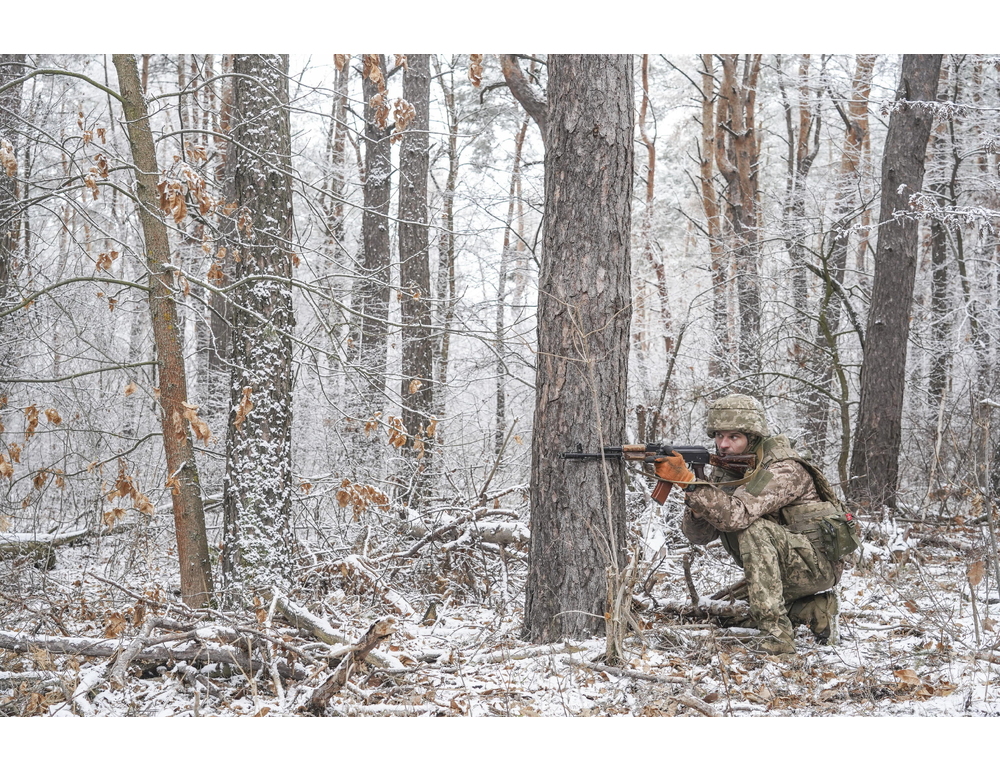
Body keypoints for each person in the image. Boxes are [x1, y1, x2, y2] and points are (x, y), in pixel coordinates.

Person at [654, 394, 856, 654]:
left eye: (733, 437)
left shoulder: (783, 469)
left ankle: (777, 638)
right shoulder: (729, 470)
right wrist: (696, 498)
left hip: (815, 566)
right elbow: (700, 536)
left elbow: (736, 516)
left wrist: (691, 484)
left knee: (753, 528)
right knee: (718, 612)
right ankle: (816, 611)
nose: (723, 444)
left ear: (753, 437)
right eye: (718, 436)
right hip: (779, 570)